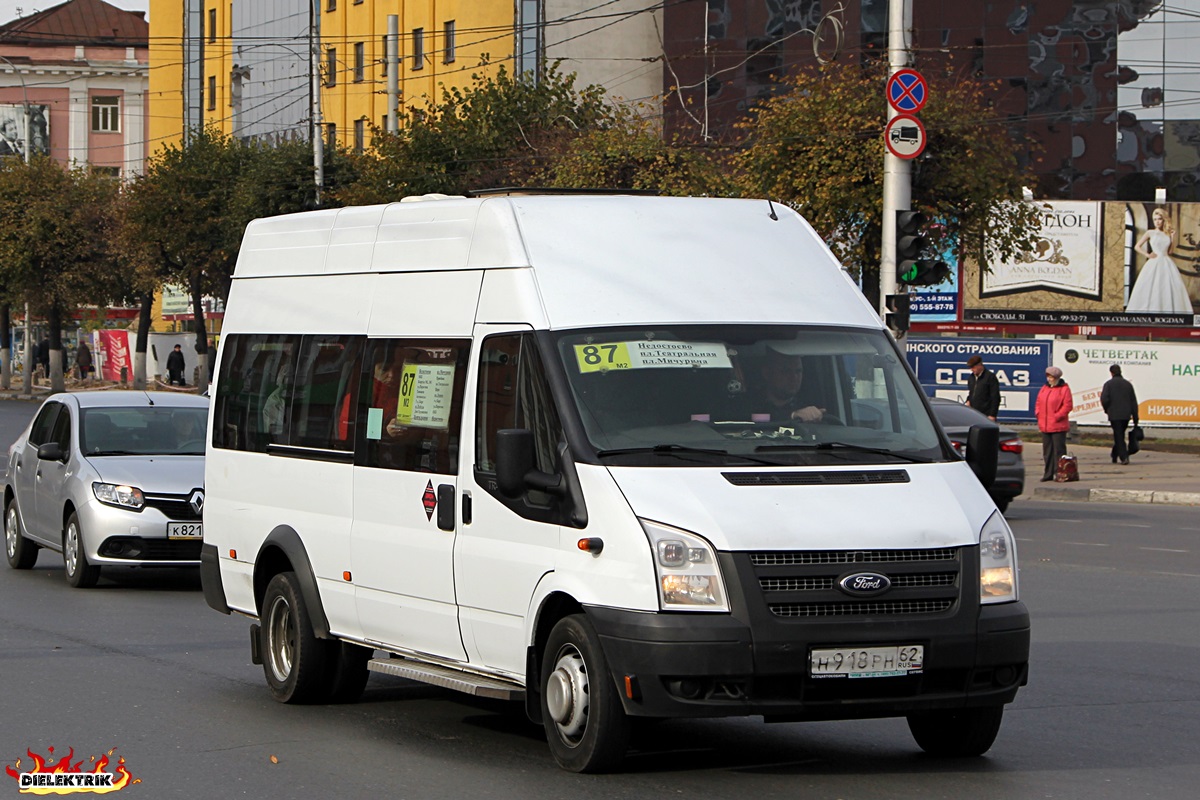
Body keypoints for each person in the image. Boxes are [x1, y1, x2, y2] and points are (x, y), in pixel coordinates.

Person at [1127, 207, 1193, 314]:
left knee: (1167, 288)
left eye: (1159, 219)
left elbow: (1170, 251)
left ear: (1164, 220)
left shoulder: (1168, 233)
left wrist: (1172, 238)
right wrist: (1147, 255)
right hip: (1154, 262)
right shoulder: (1150, 233)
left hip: (1166, 262)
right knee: (1152, 287)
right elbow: (1137, 246)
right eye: (1155, 219)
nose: (1157, 222)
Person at [747, 347, 826, 422]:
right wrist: (793, 416)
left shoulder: (808, 406)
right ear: (767, 373)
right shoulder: (749, 403)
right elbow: (754, 418)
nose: (794, 377)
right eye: (786, 371)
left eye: (798, 371)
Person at [1035, 366, 1073, 482]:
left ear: (1056, 378)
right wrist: (1038, 413)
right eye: (1048, 377)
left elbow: (1067, 405)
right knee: (1047, 452)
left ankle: (1060, 472)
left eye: (1051, 377)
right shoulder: (1044, 388)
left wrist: (1057, 416)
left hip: (1058, 425)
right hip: (1045, 425)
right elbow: (1038, 402)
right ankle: (1048, 473)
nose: (1049, 379)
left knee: (1059, 451)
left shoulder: (1064, 389)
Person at [1100, 364, 1138, 465]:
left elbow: (1104, 399)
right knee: (1120, 434)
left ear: (1111, 373)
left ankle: (1123, 456)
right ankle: (1114, 454)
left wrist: (1107, 409)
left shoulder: (1108, 384)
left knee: (1118, 435)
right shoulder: (1127, 385)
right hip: (1126, 415)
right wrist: (1135, 417)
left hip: (1114, 414)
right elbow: (1133, 401)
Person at [964, 354, 1000, 420]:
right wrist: (968, 400)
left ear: (980, 365)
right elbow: (972, 393)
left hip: (986, 415)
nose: (971, 370)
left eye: (973, 367)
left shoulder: (990, 377)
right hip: (973, 414)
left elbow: (995, 397)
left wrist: (992, 415)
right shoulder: (971, 378)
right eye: (970, 368)